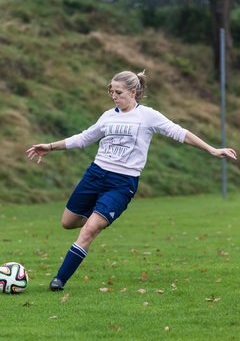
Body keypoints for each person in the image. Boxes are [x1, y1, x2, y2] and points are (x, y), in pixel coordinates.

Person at [26, 70, 237, 291]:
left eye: (118, 92)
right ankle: (97, 215)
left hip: (122, 183)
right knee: (67, 222)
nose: (114, 96)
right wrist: (50, 146)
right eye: (111, 92)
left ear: (133, 92)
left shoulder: (148, 116)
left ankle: (59, 280)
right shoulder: (108, 116)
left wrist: (212, 149)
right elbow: (83, 138)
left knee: (89, 231)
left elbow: (180, 132)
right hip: (95, 174)